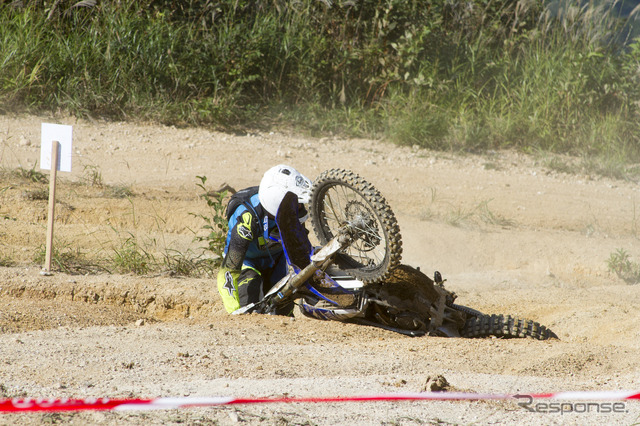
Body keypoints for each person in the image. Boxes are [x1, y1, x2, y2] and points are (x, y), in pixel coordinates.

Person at [216, 164, 313, 313]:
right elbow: (227, 272)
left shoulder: (293, 213)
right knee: (250, 294)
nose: (300, 207)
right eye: (297, 203)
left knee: (284, 307)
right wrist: (235, 311)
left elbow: (304, 252)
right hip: (246, 261)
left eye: (300, 203)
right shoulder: (248, 218)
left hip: (276, 260)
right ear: (278, 202)